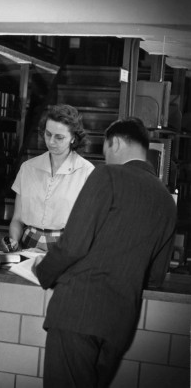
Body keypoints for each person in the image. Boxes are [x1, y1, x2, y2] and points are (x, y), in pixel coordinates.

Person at [34, 117, 177, 387]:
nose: (106, 158)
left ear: (117, 143)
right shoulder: (166, 200)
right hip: (119, 325)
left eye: (106, 151)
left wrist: (41, 271)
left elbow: (73, 245)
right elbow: (156, 275)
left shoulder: (107, 175)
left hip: (78, 313)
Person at [4, 104, 95, 252]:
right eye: (48, 134)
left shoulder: (86, 172)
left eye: (59, 137)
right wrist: (13, 241)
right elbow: (17, 219)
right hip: (28, 244)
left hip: (66, 246)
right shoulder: (28, 168)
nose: (51, 141)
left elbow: (88, 226)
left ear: (73, 138)